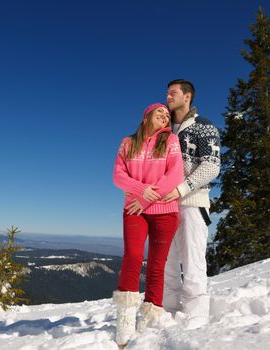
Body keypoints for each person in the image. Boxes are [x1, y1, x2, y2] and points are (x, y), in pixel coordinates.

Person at [112, 103, 183, 347]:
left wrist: (144, 199)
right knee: (132, 256)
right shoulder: (127, 143)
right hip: (134, 210)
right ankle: (124, 322)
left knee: (156, 265)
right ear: (146, 117)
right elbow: (118, 176)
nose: (165, 116)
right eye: (159, 112)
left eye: (167, 114)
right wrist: (141, 192)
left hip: (164, 211)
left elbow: (175, 175)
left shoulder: (171, 141)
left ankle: (148, 320)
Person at [162, 79, 221, 329]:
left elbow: (211, 165)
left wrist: (182, 189)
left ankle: (197, 319)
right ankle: (168, 311)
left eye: (173, 93)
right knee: (166, 260)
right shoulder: (163, 130)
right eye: (166, 93)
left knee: (193, 260)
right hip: (165, 205)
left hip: (192, 203)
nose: (168, 97)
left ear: (187, 96)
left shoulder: (203, 127)